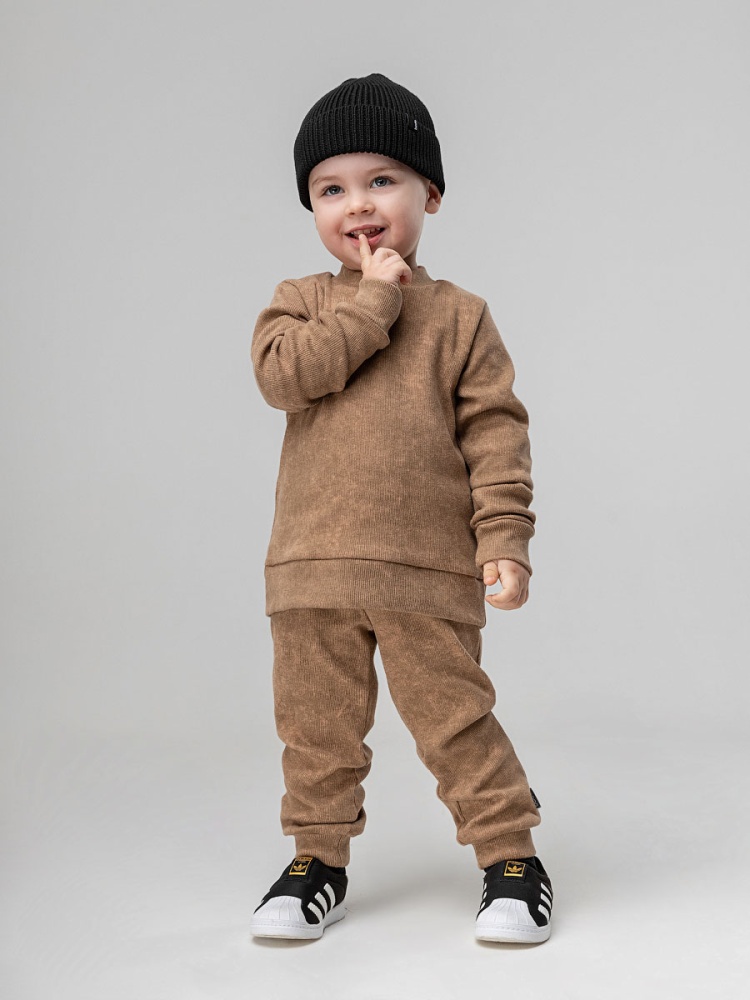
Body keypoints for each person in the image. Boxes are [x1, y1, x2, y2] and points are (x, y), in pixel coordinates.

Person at [248, 73, 553, 944]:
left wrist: (504, 538)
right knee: (316, 731)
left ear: (431, 193)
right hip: (312, 570)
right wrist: (374, 299)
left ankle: (512, 861)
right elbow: (286, 377)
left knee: (456, 723)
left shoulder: (460, 317)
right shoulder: (301, 301)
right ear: (311, 206)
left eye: (382, 180)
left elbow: (496, 433)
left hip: (425, 571)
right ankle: (316, 862)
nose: (358, 205)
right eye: (330, 189)